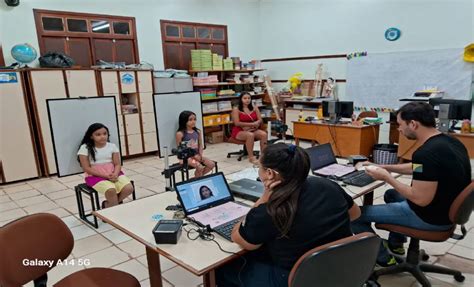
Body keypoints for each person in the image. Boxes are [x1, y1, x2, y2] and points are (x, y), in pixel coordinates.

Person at [216, 143, 361, 287]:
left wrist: (264, 198)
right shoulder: (327, 185)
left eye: (259, 167)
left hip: (294, 279)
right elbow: (355, 214)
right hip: (341, 269)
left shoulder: (270, 210)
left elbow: (239, 238)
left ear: (270, 174)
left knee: (223, 270)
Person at [352, 102, 471, 267]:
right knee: (390, 195)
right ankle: (396, 244)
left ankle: (383, 257)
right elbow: (419, 167)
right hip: (445, 209)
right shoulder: (450, 142)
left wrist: (387, 178)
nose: (399, 129)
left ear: (413, 124)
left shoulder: (426, 153)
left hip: (429, 217)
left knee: (353, 214)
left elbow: (420, 199)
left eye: (400, 125)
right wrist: (384, 167)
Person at [77, 123, 134, 208]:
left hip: (113, 173)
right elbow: (86, 168)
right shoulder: (85, 148)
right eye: (98, 134)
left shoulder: (112, 146)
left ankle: (108, 205)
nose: (102, 136)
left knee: (129, 188)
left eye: (105, 134)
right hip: (94, 175)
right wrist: (105, 176)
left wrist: (115, 173)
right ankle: (113, 208)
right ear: (91, 136)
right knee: (110, 190)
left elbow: (117, 164)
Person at [231, 92, 268, 164]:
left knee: (264, 134)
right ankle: (251, 157)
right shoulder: (236, 109)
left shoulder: (255, 108)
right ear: (240, 99)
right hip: (240, 130)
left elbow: (260, 119)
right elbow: (237, 123)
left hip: (253, 128)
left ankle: (263, 156)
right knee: (250, 135)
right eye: (245, 98)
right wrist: (251, 124)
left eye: (249, 98)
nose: (247, 100)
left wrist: (256, 124)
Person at [176, 110, 215, 178]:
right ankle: (197, 179)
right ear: (184, 121)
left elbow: (200, 145)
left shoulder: (197, 131)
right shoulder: (180, 134)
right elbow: (180, 150)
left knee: (211, 164)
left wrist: (200, 155)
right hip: (187, 158)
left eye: (194, 119)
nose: (193, 121)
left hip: (197, 155)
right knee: (199, 167)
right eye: (190, 120)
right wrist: (191, 157)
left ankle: (195, 178)